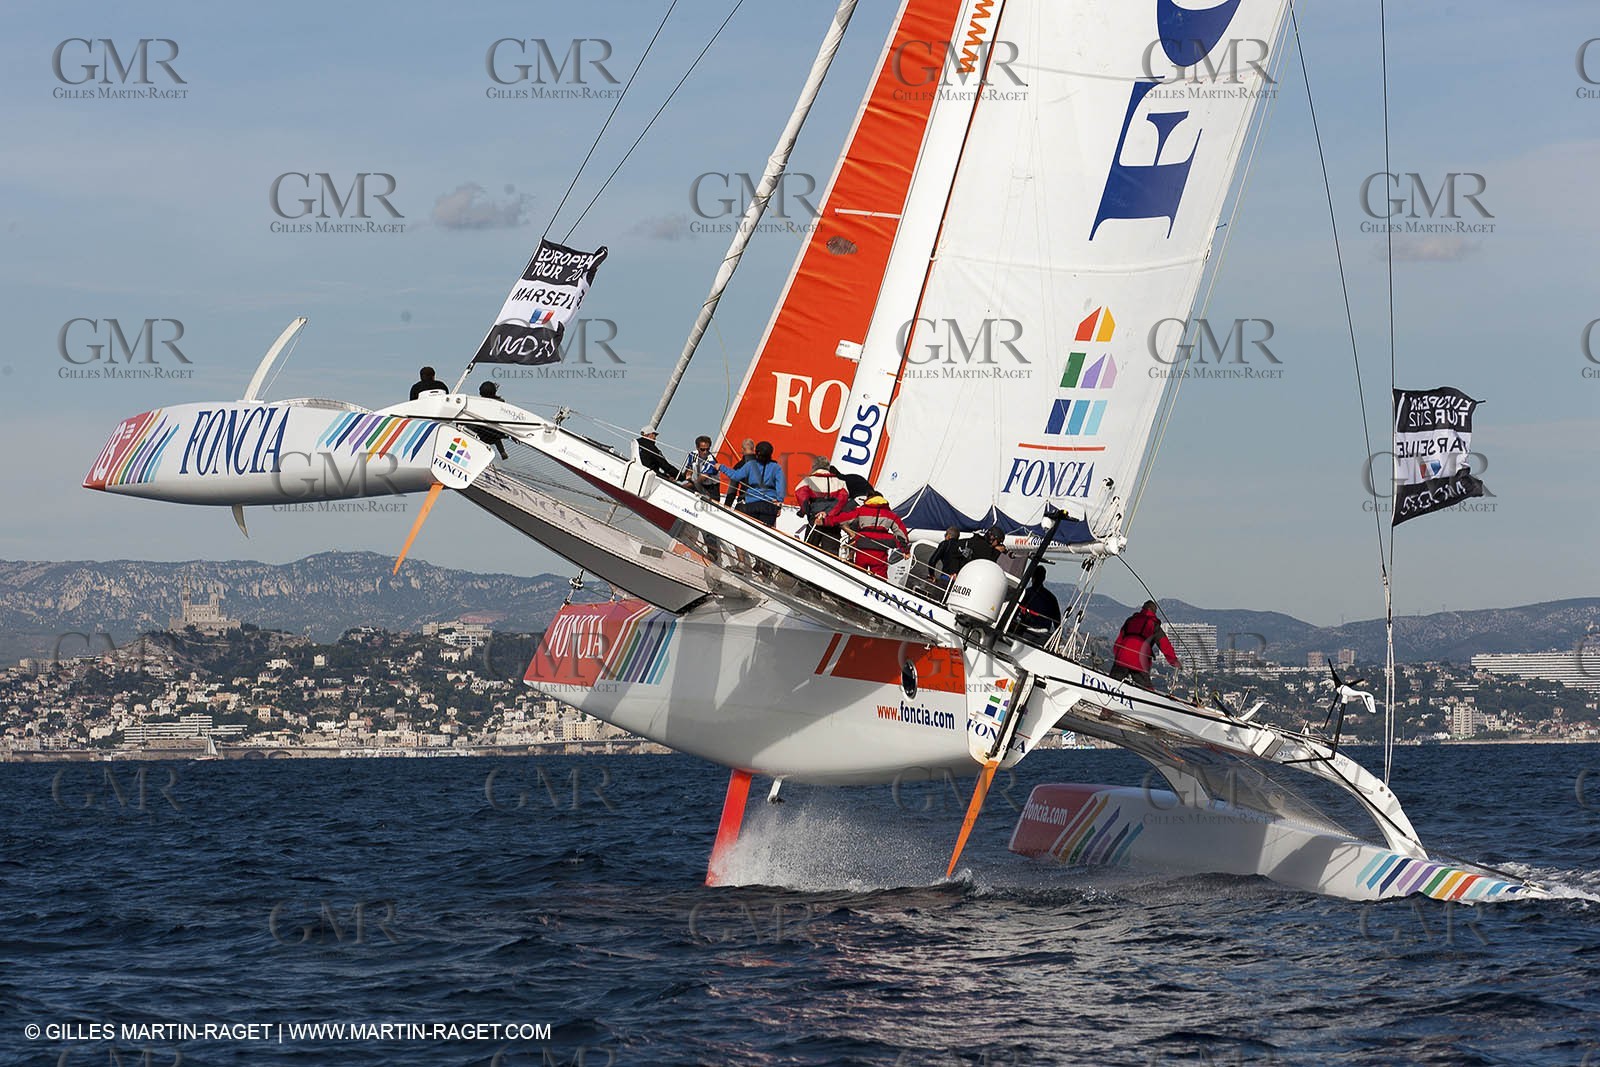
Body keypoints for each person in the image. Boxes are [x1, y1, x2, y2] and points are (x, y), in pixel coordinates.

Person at [828, 493, 909, 579]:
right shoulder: (891, 515)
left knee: (859, 575)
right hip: (880, 551)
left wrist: (825, 521)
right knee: (880, 578)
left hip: (863, 549)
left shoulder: (861, 510)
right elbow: (901, 534)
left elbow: (842, 519)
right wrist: (906, 551)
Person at [1111, 600, 1180, 688]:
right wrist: (1174, 661)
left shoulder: (1130, 620)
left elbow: (1119, 641)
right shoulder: (1154, 625)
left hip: (1122, 658)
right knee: (1146, 689)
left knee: (1112, 683)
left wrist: (1117, 656)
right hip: (1140, 660)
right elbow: (1165, 645)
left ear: (1142, 608)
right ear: (1154, 612)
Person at [720, 440, 785, 528]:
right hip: (769, 507)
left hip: (751, 505)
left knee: (749, 529)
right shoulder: (776, 467)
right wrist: (779, 504)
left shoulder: (750, 465)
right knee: (766, 531)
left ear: (757, 452)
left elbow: (735, 476)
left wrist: (721, 467)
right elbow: (781, 487)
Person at [795, 459, 849, 555]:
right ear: (828, 467)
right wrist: (828, 513)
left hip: (815, 518)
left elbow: (800, 494)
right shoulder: (841, 483)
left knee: (809, 551)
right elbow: (842, 500)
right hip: (832, 521)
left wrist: (805, 511)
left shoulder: (809, 480)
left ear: (814, 467)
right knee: (831, 553)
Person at [1013, 566, 1062, 640]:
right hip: (1043, 635)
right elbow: (1057, 621)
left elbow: (1015, 611)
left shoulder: (1026, 593)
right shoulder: (1051, 598)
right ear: (1044, 578)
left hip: (1027, 631)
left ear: (1032, 577)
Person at [475, 380, 509, 459]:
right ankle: (502, 452)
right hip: (494, 434)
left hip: (481, 433)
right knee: (495, 433)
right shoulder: (501, 404)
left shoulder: (479, 403)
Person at [680, 436, 722, 500]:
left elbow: (699, 481)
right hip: (697, 484)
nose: (705, 452)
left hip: (711, 489)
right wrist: (684, 477)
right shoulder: (693, 454)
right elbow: (689, 469)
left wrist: (682, 486)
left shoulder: (711, 462)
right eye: (702, 449)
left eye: (707, 449)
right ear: (697, 448)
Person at [724, 439, 756, 506]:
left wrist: (727, 505)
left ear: (742, 450)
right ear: (754, 449)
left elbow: (732, 489)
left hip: (745, 502)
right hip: (761, 502)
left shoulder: (739, 466)